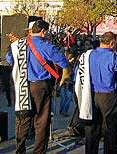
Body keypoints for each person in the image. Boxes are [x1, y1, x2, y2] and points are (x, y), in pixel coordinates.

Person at [6, 20, 70, 154]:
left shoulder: (18, 45)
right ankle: (39, 151)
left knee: (23, 118)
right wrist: (64, 76)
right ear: (43, 31)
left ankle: (19, 150)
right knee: (41, 120)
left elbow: (9, 59)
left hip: (22, 84)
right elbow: (63, 62)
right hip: (40, 86)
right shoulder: (46, 46)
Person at [75, 31, 117, 154]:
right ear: (112, 43)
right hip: (108, 95)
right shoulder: (113, 56)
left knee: (91, 128)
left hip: (90, 94)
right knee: (110, 129)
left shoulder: (87, 55)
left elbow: (77, 74)